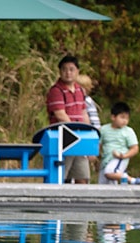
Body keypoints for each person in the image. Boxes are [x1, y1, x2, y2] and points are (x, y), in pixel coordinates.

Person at [46, 55, 91, 184]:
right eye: (64, 69)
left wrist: (88, 133)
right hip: (63, 139)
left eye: (71, 69)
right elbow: (60, 115)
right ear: (60, 71)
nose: (68, 73)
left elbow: (84, 113)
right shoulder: (56, 91)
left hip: (80, 138)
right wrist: (75, 132)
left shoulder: (80, 90)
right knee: (61, 177)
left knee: (82, 177)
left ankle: (80, 203)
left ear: (77, 71)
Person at [99, 101, 140, 185]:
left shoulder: (128, 131)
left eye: (127, 118)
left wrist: (123, 156)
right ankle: (123, 178)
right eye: (122, 117)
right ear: (113, 117)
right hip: (105, 160)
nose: (125, 121)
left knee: (109, 172)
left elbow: (134, 148)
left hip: (119, 158)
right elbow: (99, 144)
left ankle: (131, 179)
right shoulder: (104, 129)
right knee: (104, 185)